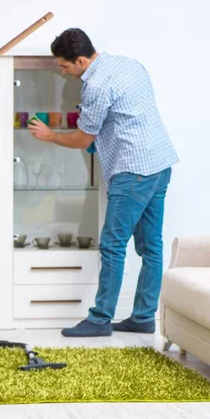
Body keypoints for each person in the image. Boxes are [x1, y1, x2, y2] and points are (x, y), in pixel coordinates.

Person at [28, 28, 178, 337]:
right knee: (151, 246)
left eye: (65, 66)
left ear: (81, 60)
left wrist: (50, 135)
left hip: (133, 169)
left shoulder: (95, 85)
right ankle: (143, 317)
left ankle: (99, 319)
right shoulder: (128, 64)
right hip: (160, 163)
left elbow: (84, 139)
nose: (63, 71)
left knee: (112, 244)